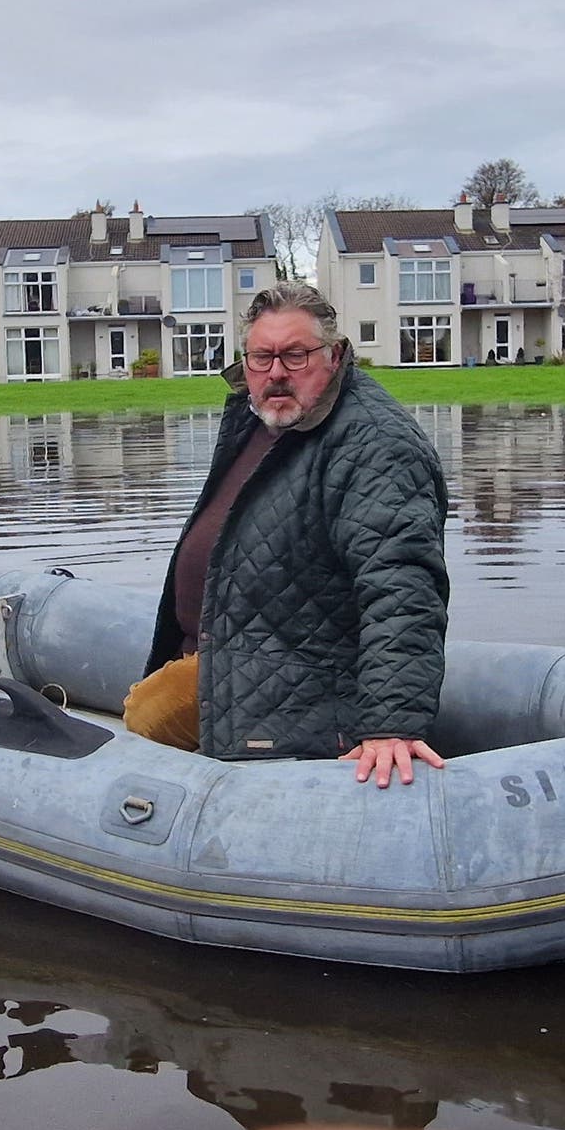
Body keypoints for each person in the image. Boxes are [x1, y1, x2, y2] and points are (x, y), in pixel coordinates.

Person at [123, 281, 451, 787]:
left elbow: (402, 586)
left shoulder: (376, 446)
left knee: (149, 710)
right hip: (242, 652)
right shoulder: (257, 419)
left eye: (295, 356)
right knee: (148, 704)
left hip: (306, 684)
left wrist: (390, 723)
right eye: (262, 357)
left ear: (335, 354)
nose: (276, 373)